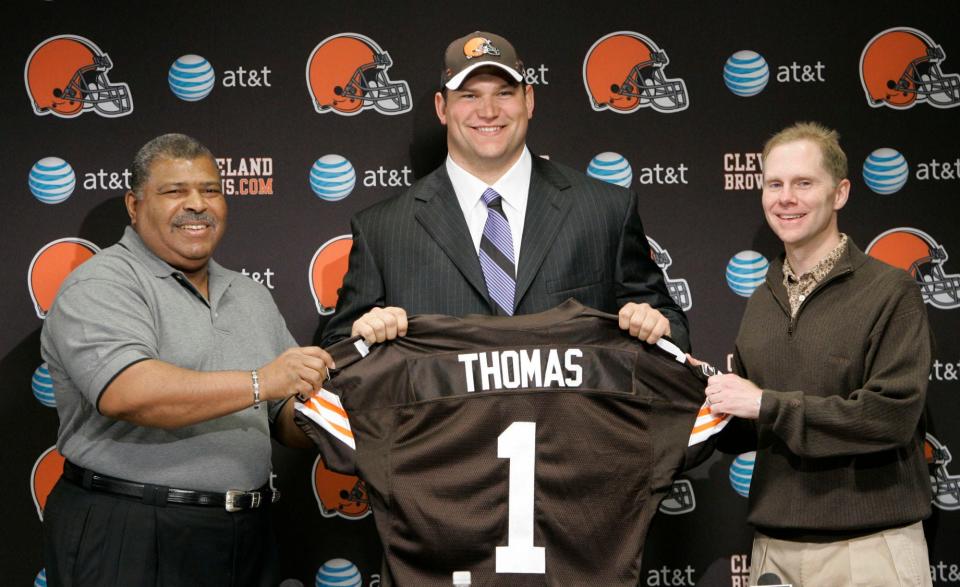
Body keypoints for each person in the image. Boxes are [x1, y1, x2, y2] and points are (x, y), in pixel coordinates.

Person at [40, 134, 334, 587]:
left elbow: (285, 420)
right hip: (132, 530)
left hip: (245, 533)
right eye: (175, 191)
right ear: (134, 206)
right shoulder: (101, 284)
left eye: (210, 190)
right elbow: (129, 393)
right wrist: (262, 381)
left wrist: (347, 403)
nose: (197, 204)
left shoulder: (251, 295)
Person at [321, 31, 688, 350]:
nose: (489, 110)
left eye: (504, 93)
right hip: (446, 432)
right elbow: (337, 354)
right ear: (442, 108)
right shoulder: (383, 230)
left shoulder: (605, 210)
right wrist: (363, 338)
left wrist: (657, 325)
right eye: (468, 96)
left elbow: (672, 330)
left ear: (528, 100)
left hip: (570, 431)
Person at [703, 122, 933, 586]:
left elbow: (890, 417)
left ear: (840, 193)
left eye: (804, 183)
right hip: (775, 551)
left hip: (869, 550)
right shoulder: (762, 299)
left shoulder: (891, 292)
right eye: (774, 184)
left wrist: (766, 404)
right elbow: (750, 427)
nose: (785, 197)